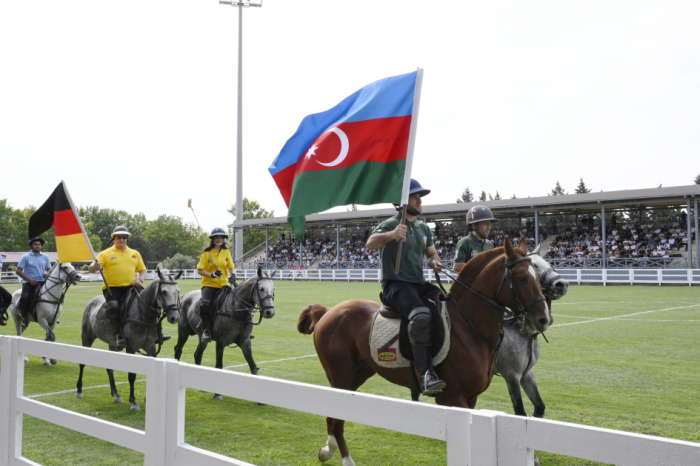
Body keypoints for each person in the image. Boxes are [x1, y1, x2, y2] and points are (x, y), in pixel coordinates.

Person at [366, 179, 445, 395]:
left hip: (417, 283)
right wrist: (392, 235)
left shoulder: (422, 227)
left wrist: (434, 261)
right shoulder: (392, 223)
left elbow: (431, 252)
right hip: (396, 285)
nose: (419, 200)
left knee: (450, 304)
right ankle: (426, 374)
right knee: (420, 316)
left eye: (420, 197)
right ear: (401, 202)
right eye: (414, 196)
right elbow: (370, 242)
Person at [89, 226, 147, 347]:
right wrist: (96, 267)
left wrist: (140, 280)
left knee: (148, 303)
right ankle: (117, 336)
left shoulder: (135, 253)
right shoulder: (105, 254)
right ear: (114, 238)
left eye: (124, 237)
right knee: (114, 308)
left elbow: (143, 270)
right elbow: (91, 269)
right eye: (119, 237)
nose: (122, 239)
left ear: (127, 238)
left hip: (131, 288)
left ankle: (155, 333)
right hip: (112, 289)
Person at [196, 227, 236, 343]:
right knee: (206, 304)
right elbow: (200, 270)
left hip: (224, 284)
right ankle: (206, 331)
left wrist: (233, 275)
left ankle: (239, 330)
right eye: (216, 237)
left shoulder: (226, 252)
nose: (219, 239)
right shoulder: (207, 253)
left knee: (235, 303)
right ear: (212, 239)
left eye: (221, 237)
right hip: (209, 284)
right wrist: (212, 275)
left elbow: (231, 266)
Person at [16, 238, 53, 329]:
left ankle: (52, 316)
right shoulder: (26, 257)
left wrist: (46, 274)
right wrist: (29, 280)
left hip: (42, 282)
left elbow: (49, 270)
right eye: (36, 244)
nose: (38, 246)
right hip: (29, 283)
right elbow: (18, 271)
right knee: (24, 298)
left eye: (39, 244)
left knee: (54, 295)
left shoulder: (45, 257)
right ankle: (24, 317)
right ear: (31, 246)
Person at [452, 206, 498, 273]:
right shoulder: (465, 242)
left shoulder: (489, 244)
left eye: (489, 224)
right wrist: (481, 268)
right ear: (474, 225)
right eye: (485, 224)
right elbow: (457, 266)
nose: (489, 228)